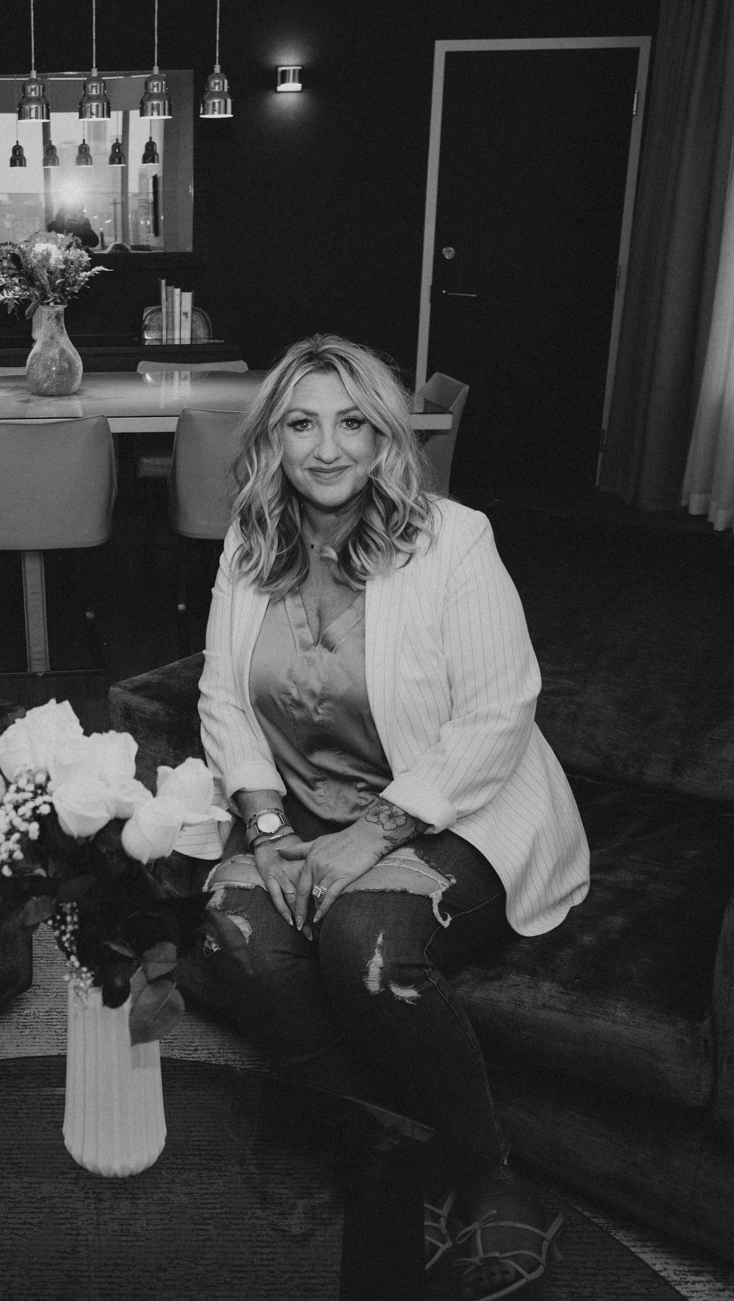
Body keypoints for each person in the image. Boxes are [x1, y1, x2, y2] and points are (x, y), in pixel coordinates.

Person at [196, 335, 589, 1299]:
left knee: (364, 936)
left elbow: (502, 710)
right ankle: (364, 1142)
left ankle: (486, 1170)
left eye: (352, 423)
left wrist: (372, 834)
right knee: (238, 928)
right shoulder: (250, 543)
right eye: (301, 424)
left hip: (456, 806)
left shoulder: (454, 537)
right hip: (303, 812)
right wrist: (267, 826)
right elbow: (222, 696)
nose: (327, 448)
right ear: (272, 441)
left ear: (385, 438)